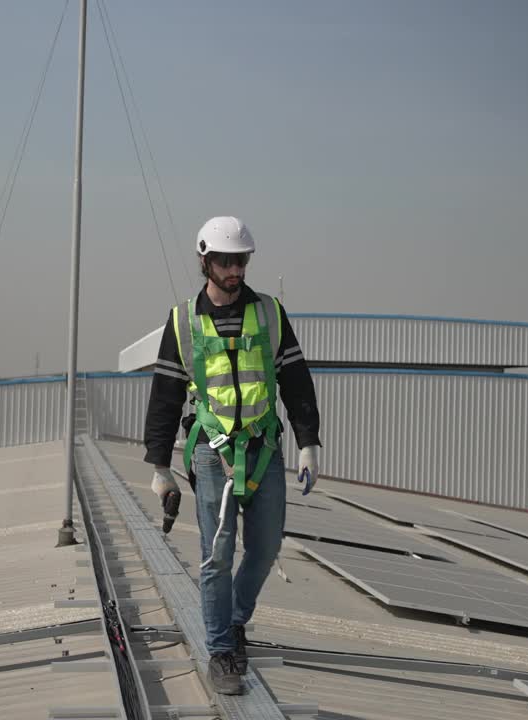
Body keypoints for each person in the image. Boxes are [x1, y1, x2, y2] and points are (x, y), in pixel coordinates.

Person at [144, 216, 322, 695]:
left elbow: (296, 380)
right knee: (216, 556)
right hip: (210, 450)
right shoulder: (182, 320)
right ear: (204, 261)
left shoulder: (269, 313)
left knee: (265, 549)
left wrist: (308, 441)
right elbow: (165, 395)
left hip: (263, 447)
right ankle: (221, 651)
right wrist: (160, 467)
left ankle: (236, 620)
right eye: (224, 260)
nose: (233, 269)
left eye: (240, 260)